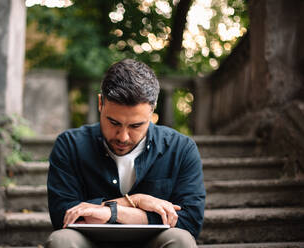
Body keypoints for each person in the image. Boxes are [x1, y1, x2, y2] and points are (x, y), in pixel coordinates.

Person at [45, 59, 205, 248]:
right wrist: (136, 200)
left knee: (181, 240)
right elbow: (63, 216)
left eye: (136, 126)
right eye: (113, 123)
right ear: (100, 103)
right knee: (61, 241)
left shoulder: (181, 148)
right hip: (91, 243)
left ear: (152, 111)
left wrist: (112, 212)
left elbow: (190, 221)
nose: (123, 136)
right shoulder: (70, 145)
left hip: (153, 243)